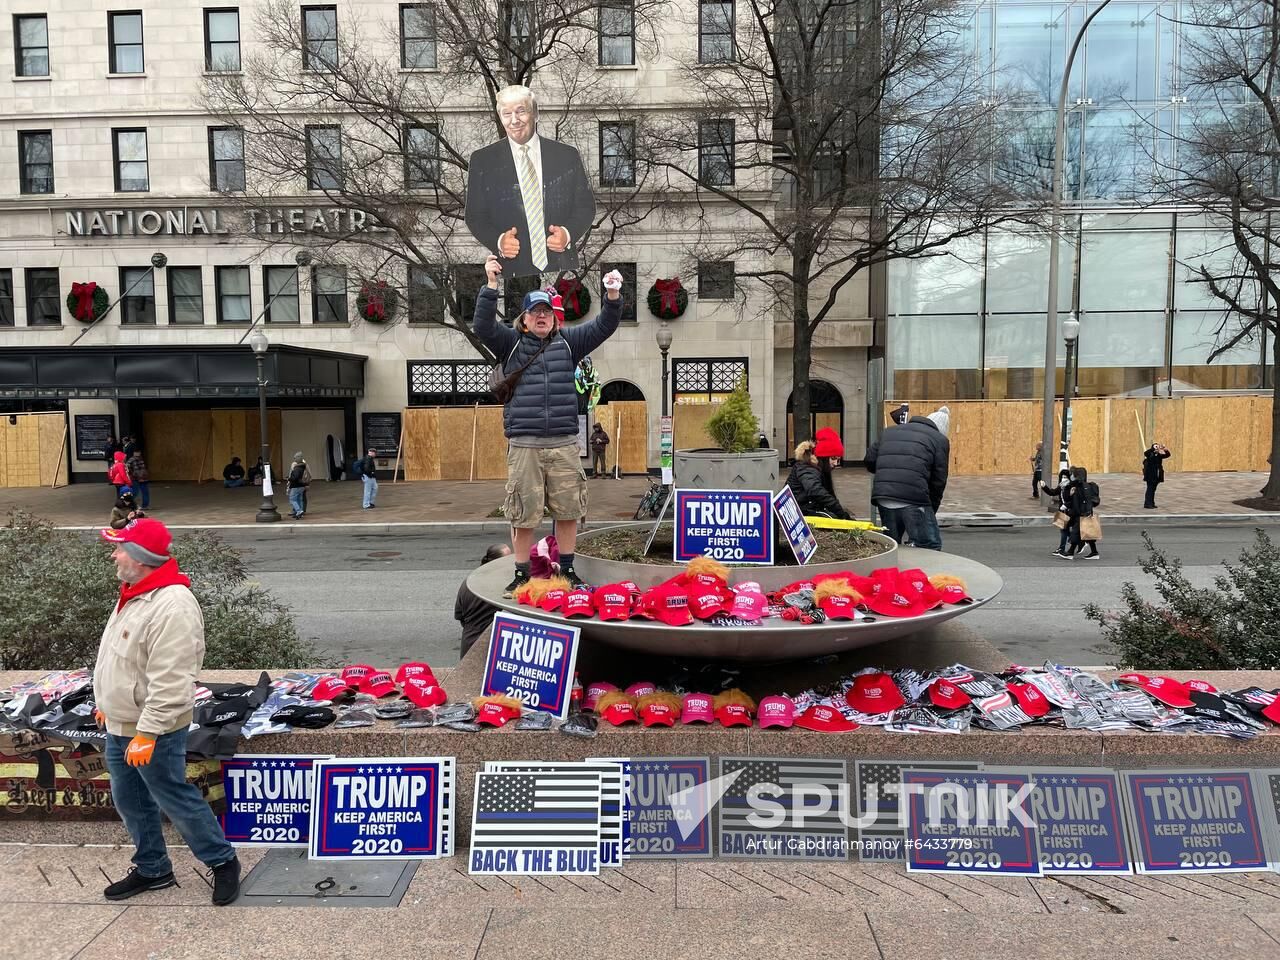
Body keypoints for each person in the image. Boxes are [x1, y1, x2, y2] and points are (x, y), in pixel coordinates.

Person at [94, 518, 241, 906]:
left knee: (173, 796)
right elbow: (122, 660)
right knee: (130, 800)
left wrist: (147, 733)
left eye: (120, 548)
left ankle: (223, 861)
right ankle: (153, 868)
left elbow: (172, 680)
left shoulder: (172, 605)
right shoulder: (135, 593)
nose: (114, 555)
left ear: (140, 557)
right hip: (122, 723)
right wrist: (107, 704)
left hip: (153, 729)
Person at [474, 254, 625, 595]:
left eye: (546, 312)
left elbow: (604, 325)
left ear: (555, 318)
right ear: (524, 320)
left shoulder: (569, 343)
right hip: (524, 446)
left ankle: (567, 570)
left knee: (568, 510)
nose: (541, 316)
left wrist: (613, 296)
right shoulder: (510, 344)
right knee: (522, 513)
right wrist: (491, 285)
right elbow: (482, 326)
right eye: (534, 312)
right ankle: (522, 573)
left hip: (563, 444)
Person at [464, 84, 595, 278]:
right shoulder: (482, 160)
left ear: (535, 113)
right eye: (507, 114)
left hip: (562, 267)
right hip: (511, 270)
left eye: (521, 111)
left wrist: (568, 234)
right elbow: (475, 216)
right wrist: (499, 241)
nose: (514, 120)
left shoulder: (567, 155)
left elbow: (585, 207)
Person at [864, 405, 950, 550]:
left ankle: (893, 565)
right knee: (929, 545)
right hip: (913, 497)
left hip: (884, 495)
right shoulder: (939, 439)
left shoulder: (889, 432)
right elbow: (938, 481)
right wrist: (930, 509)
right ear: (941, 430)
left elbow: (869, 460)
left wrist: (887, 472)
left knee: (891, 546)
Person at [456, 543, 513, 658]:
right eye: (508, 560)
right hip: (492, 644)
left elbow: (459, 614)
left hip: (469, 643)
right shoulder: (506, 586)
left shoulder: (469, 582)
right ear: (498, 563)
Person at [1042, 466, 1101, 559]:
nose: (1071, 476)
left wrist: (1068, 501)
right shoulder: (1077, 486)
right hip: (1082, 513)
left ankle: (1070, 552)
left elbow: (1076, 501)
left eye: (1072, 475)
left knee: (1075, 533)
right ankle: (1093, 552)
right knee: (1086, 533)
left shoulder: (1080, 487)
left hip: (1080, 514)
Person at [787, 439, 851, 519]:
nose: (835, 463)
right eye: (833, 458)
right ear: (824, 457)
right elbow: (816, 491)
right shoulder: (807, 468)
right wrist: (842, 515)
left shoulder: (818, 467)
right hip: (796, 513)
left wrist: (841, 513)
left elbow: (829, 494)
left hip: (804, 508)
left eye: (838, 460)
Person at [1142, 442, 1171, 509]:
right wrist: (1153, 449)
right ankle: (1147, 504)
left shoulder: (1159, 455)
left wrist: (1165, 449)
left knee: (1153, 490)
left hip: (1156, 476)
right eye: (1156, 446)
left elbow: (1167, 455)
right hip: (1150, 476)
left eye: (1158, 446)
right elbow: (1146, 453)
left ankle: (1151, 503)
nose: (1157, 448)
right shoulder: (1150, 454)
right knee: (1150, 490)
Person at [286, 452, 310, 520]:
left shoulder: (297, 468)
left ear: (298, 458)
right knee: (299, 499)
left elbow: (295, 477)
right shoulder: (303, 467)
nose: (294, 459)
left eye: (295, 457)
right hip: (302, 486)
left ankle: (299, 511)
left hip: (295, 486)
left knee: (292, 499)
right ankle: (300, 512)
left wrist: (289, 478)